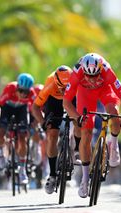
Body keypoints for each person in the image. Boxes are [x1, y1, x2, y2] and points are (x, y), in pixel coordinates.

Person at [63, 53, 121, 198]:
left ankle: (113, 145)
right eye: (89, 76)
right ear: (83, 71)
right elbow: (66, 102)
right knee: (86, 133)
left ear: (100, 70)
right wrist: (78, 118)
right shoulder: (77, 73)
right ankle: (85, 179)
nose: (92, 79)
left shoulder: (107, 71)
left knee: (113, 112)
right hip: (85, 95)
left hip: (105, 90)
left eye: (95, 76)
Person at [32, 65, 81, 194]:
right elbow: (35, 107)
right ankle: (52, 175)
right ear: (57, 83)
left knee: (78, 121)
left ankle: (77, 149)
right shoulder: (50, 84)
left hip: (72, 99)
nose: (65, 90)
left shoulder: (76, 80)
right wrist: (43, 122)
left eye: (67, 87)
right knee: (52, 135)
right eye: (62, 88)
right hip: (54, 101)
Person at [0, 73, 36, 184]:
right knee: (1, 131)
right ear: (17, 87)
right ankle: (0, 152)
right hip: (7, 108)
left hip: (21, 110)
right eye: (21, 91)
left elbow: (35, 109)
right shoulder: (9, 88)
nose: (23, 94)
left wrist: (33, 124)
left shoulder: (32, 94)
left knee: (22, 138)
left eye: (26, 92)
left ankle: (22, 169)